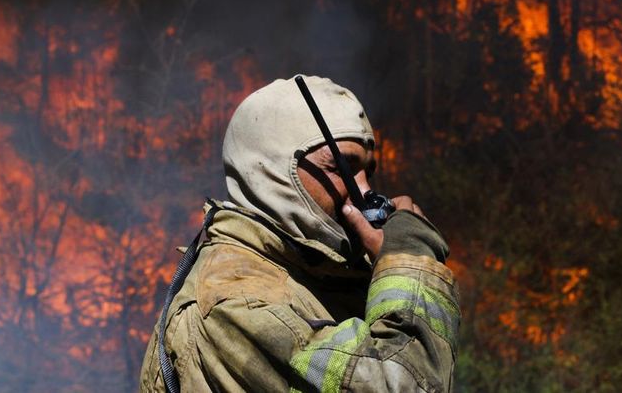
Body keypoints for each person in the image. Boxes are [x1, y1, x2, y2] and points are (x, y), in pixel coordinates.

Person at [139, 75, 459, 392]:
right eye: (341, 169)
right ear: (275, 171)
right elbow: (405, 385)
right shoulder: (238, 302)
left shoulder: (312, 276)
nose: (365, 192)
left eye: (368, 172)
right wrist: (409, 260)